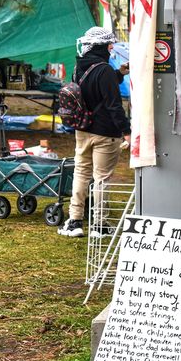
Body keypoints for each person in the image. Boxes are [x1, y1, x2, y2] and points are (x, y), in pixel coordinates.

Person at [58, 27, 130, 238]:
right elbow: (113, 105)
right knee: (102, 179)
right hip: (106, 134)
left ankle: (75, 222)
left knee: (81, 174)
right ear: (100, 46)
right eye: (109, 45)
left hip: (82, 130)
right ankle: (100, 225)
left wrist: (120, 73)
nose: (112, 49)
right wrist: (126, 132)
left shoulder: (78, 67)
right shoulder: (105, 70)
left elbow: (94, 87)